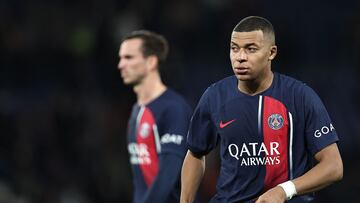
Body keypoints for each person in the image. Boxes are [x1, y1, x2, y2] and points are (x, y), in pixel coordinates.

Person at [180, 16, 343, 203]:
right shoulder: (214, 96)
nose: (240, 57)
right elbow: (195, 153)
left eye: (251, 49)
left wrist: (284, 190)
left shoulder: (300, 96)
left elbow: (334, 166)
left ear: (271, 53)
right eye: (234, 48)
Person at [118, 30, 192, 203]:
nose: (121, 65)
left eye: (129, 58)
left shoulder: (173, 108)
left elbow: (169, 174)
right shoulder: (137, 110)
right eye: (121, 58)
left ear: (151, 62)